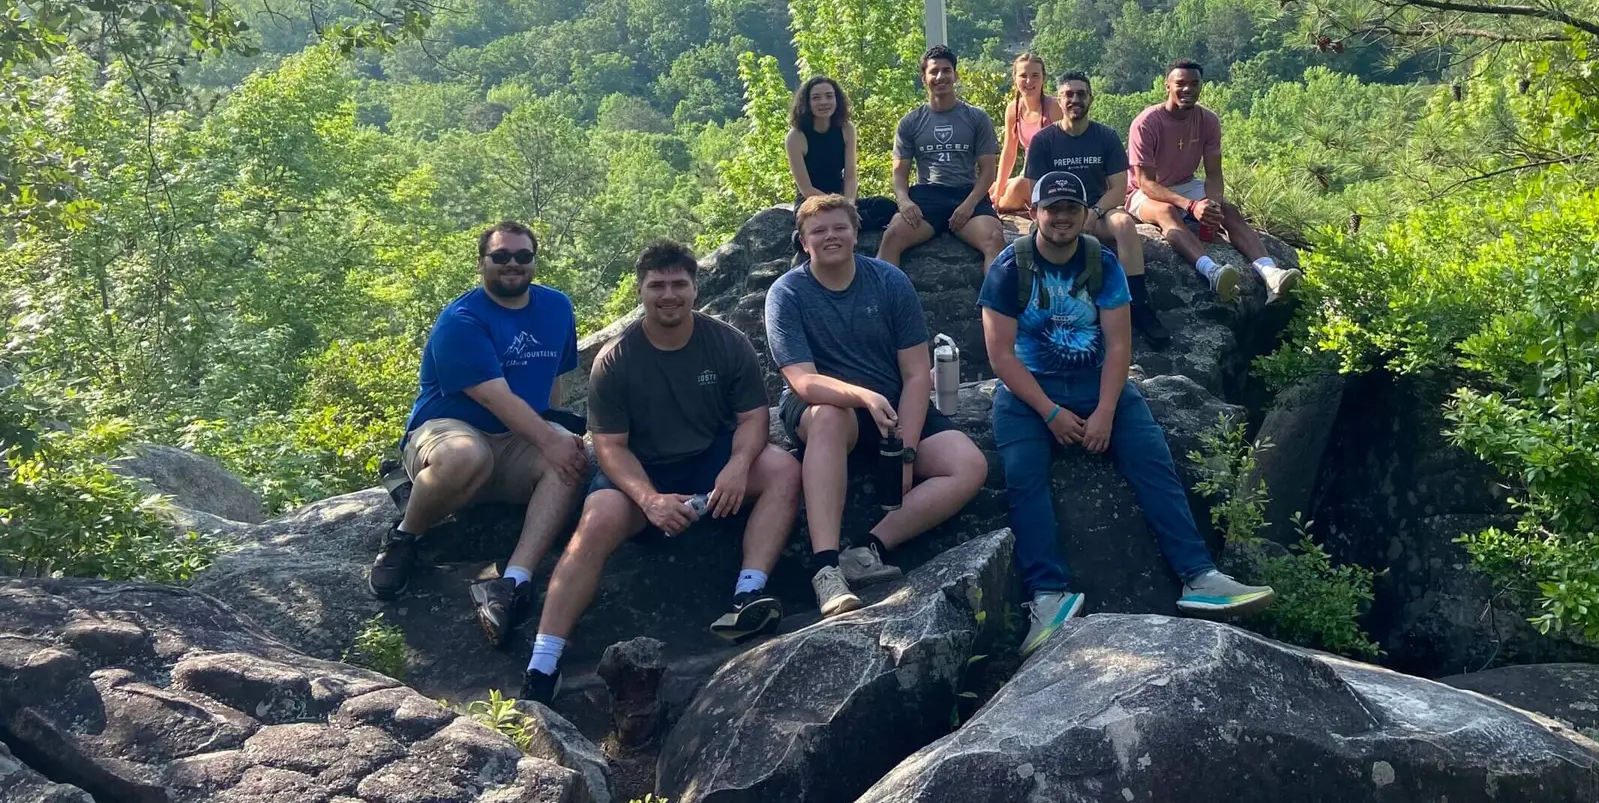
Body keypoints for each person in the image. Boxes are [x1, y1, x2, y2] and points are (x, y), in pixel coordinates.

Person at [983, 172, 1275, 656]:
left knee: (1152, 459)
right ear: (1033, 212)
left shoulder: (1102, 262)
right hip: (1028, 392)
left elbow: (1120, 343)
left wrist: (1104, 410)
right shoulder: (1010, 267)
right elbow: (1001, 357)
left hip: (1096, 381)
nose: (1060, 217)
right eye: (1051, 208)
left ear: (1084, 214)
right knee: (1023, 477)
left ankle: (1199, 575)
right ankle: (1047, 595)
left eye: (1071, 208)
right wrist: (1050, 412)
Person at [518, 241, 800, 703]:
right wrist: (648, 499)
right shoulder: (616, 359)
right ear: (641, 291)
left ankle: (748, 596)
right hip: (640, 473)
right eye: (657, 285)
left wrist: (737, 465)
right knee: (595, 523)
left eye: (678, 284)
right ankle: (543, 663)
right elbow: (608, 446)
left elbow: (753, 417)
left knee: (783, 468)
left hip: (711, 463)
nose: (668, 294)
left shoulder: (726, 342)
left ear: (695, 287)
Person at [371, 222, 589, 653]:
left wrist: (558, 438)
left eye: (522, 256)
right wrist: (549, 439)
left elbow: (552, 384)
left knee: (572, 464)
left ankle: (512, 583)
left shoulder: (556, 307)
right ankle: (404, 536)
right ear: (481, 263)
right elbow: (493, 397)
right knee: (466, 457)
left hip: (514, 438)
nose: (513, 265)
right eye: (501, 256)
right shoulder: (462, 319)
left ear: (533, 262)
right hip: (451, 427)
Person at [769, 193, 990, 617]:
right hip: (827, 406)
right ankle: (827, 568)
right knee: (831, 417)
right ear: (802, 241)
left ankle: (868, 549)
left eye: (839, 227)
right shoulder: (788, 293)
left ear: (856, 234)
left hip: (891, 406)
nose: (830, 236)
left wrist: (903, 452)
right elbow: (803, 381)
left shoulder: (890, 281)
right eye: (818, 231)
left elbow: (913, 373)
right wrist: (863, 397)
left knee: (969, 465)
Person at [1127, 60, 1302, 306]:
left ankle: (1271, 274)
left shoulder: (1208, 120)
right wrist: (1191, 206)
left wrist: (1212, 205)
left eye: (1194, 84)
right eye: (1180, 84)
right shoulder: (1147, 123)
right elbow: (1146, 182)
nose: (1187, 89)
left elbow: (1213, 174)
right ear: (1167, 86)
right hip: (1143, 191)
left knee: (1229, 211)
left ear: (1201, 86)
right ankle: (1212, 271)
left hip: (1186, 183)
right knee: (1166, 212)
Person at [1022, 71, 1170, 346]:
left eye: (1081, 94)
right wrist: (1065, 217)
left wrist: (1095, 212)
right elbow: (1036, 191)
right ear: (1060, 100)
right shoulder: (1044, 141)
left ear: (1091, 98)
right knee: (1034, 237)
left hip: (1096, 212)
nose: (1075, 99)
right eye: (1069, 94)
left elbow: (1118, 187)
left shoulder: (1105, 136)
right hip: (1058, 215)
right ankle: (1044, 310)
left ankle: (1138, 305)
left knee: (1125, 224)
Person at [878, 45, 1005, 274]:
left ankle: (994, 308)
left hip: (966, 194)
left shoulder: (976, 118)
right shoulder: (911, 122)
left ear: (955, 75)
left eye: (946, 70)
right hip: (928, 195)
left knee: (995, 239)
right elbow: (899, 172)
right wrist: (904, 201)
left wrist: (969, 205)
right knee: (892, 236)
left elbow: (988, 171)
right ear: (924, 78)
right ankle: (879, 305)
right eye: (934, 71)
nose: (940, 77)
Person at [989, 51, 1062, 214]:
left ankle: (999, 206)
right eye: (1023, 76)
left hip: (1051, 179)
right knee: (989, 189)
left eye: (1035, 75)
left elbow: (1065, 152)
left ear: (1043, 78)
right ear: (1015, 79)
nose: (1029, 81)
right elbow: (1009, 151)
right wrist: (998, 190)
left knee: (1018, 186)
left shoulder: (1054, 108)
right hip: (1027, 175)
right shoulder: (1013, 109)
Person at [786, 75, 858, 203]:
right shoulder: (795, 137)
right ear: (807, 103)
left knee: (883, 205)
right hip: (811, 202)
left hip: (842, 199)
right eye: (816, 98)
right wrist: (838, 206)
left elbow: (850, 175)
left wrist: (849, 203)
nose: (824, 102)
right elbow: (806, 189)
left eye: (829, 96)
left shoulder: (847, 129)